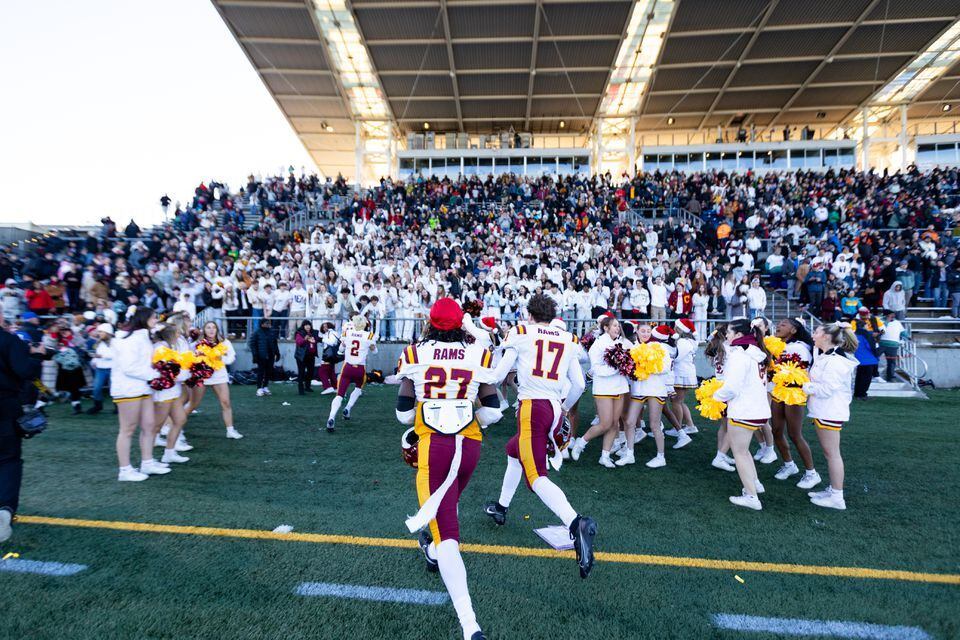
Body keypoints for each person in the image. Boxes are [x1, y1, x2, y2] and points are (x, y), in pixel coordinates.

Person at [395, 297, 503, 640]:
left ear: (430, 322)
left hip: (435, 446)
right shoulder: (478, 354)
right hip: (469, 444)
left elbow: (402, 411)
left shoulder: (415, 354)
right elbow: (493, 409)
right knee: (447, 506)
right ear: (461, 323)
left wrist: (420, 421)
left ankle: (470, 626)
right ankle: (431, 550)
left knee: (448, 536)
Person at [481, 294, 597, 578]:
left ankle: (575, 523)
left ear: (529, 315)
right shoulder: (568, 338)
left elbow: (497, 376)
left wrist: (471, 375)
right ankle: (501, 507)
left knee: (536, 478)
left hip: (532, 407)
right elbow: (579, 384)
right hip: (554, 408)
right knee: (513, 451)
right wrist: (563, 408)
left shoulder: (521, 332)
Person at [713, 318, 771, 511]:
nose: (726, 335)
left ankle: (751, 496)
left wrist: (715, 396)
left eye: (729, 332)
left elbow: (732, 387)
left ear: (738, 335)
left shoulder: (739, 355)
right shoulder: (756, 353)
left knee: (739, 453)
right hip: (758, 409)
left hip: (744, 409)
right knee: (744, 451)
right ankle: (755, 484)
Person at [804, 322, 859, 510]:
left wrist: (804, 386)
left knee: (833, 454)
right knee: (830, 453)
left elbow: (827, 389)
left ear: (826, 337)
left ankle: (837, 497)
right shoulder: (825, 355)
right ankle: (833, 489)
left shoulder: (836, 361)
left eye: (816, 331)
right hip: (824, 410)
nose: (813, 334)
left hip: (830, 411)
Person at [111, 307, 166, 482]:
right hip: (127, 388)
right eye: (153, 318)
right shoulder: (128, 339)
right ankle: (125, 470)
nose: (156, 320)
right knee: (128, 429)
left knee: (150, 425)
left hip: (143, 388)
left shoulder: (145, 337)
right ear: (144, 319)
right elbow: (129, 367)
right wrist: (155, 375)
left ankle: (147, 462)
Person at [0, 325, 44, 542]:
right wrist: (36, 356)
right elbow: (25, 370)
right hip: (4, 405)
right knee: (8, 460)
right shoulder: (8, 339)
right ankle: (4, 510)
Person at [570, 315, 629, 467]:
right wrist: (617, 368)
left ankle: (605, 456)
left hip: (620, 387)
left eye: (618, 325)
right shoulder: (598, 345)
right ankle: (581, 443)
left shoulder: (621, 343)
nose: (618, 328)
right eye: (614, 326)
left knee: (615, 423)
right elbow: (596, 369)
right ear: (606, 328)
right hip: (604, 388)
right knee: (605, 423)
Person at [769, 319, 820, 489]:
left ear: (793, 329)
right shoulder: (778, 345)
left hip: (794, 393)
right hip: (779, 390)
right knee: (776, 430)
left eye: (784, 324)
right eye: (778, 324)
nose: (779, 326)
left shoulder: (799, 347)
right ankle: (789, 464)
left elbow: (801, 372)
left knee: (794, 434)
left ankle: (811, 473)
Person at [626, 323, 676, 468]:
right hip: (639, 389)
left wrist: (648, 366)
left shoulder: (660, 347)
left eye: (648, 331)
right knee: (630, 422)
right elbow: (630, 370)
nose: (646, 334)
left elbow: (666, 368)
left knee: (655, 425)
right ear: (637, 332)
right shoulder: (633, 348)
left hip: (655, 389)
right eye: (643, 331)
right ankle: (629, 454)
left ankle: (661, 457)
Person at [324, 314, 377, 433]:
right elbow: (375, 352)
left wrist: (342, 347)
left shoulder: (347, 333)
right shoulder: (369, 335)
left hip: (347, 367)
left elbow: (340, 350)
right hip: (360, 369)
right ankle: (348, 408)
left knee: (339, 395)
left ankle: (331, 417)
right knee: (358, 388)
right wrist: (371, 346)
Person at [191, 321, 241, 439]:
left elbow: (232, 357)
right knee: (193, 404)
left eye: (214, 327)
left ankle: (230, 430)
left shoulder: (224, 342)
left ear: (217, 330)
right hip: (202, 376)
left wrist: (221, 359)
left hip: (219, 376)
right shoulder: (197, 343)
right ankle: (176, 429)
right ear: (204, 330)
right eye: (208, 327)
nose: (211, 330)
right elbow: (191, 357)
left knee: (226, 402)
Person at [151, 324, 190, 465]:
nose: (179, 336)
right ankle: (147, 461)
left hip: (173, 392)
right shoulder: (160, 349)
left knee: (180, 420)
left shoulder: (168, 347)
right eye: (177, 333)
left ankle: (169, 453)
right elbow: (168, 373)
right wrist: (186, 373)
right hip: (164, 393)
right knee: (156, 426)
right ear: (170, 335)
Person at [704, 325, 736, 472]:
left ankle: (721, 453)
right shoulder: (729, 348)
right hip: (727, 389)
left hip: (718, 386)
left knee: (724, 425)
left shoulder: (718, 347)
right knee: (731, 425)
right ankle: (721, 456)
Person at [851, 308, 880, 399]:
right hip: (869, 359)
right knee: (866, 378)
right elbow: (871, 346)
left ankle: (857, 393)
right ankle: (862, 394)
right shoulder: (866, 334)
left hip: (859, 358)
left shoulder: (855, 334)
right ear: (864, 326)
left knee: (859, 377)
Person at [86, 322, 114, 415]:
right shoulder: (98, 343)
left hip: (112, 369)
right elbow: (95, 354)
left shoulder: (115, 342)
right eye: (99, 332)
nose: (99, 334)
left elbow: (114, 355)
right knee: (96, 388)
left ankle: (117, 406)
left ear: (108, 332)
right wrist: (93, 361)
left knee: (113, 389)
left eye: (101, 332)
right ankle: (98, 405)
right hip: (100, 369)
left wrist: (100, 356)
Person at [248, 319, 280, 397]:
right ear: (262, 324)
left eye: (269, 323)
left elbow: (275, 344)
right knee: (261, 372)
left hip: (271, 355)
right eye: (266, 323)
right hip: (261, 356)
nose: (268, 324)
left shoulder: (271, 332)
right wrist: (255, 354)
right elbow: (252, 344)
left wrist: (277, 353)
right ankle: (259, 388)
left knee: (268, 372)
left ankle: (265, 387)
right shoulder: (257, 332)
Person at [878, 309, 905, 382]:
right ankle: (873, 375)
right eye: (891, 314)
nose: (893, 316)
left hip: (893, 345)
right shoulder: (880, 321)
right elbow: (882, 330)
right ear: (886, 315)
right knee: (874, 359)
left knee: (892, 362)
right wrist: (887, 321)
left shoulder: (897, 322)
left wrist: (908, 336)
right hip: (881, 344)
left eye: (893, 314)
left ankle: (890, 377)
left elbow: (903, 332)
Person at [294, 320, 319, 395]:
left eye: (309, 325)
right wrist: (305, 339)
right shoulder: (299, 333)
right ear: (303, 326)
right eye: (306, 325)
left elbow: (318, 339)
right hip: (301, 356)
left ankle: (307, 387)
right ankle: (301, 390)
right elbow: (299, 342)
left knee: (310, 372)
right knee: (301, 373)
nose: (308, 326)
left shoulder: (313, 333)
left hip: (311, 356)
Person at [316, 322, 339, 394]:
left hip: (329, 355)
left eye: (326, 326)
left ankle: (327, 387)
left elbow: (332, 342)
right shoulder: (327, 334)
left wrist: (322, 339)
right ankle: (335, 387)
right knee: (331, 372)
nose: (324, 328)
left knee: (322, 371)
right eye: (323, 327)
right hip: (330, 354)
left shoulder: (332, 333)